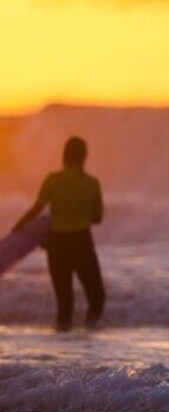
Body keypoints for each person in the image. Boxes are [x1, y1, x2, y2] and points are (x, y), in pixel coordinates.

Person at [13, 136, 105, 332]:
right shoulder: (92, 183)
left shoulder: (52, 180)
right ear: (84, 157)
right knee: (96, 296)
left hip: (57, 244)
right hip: (81, 242)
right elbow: (97, 218)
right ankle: (91, 334)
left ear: (64, 156)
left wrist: (19, 227)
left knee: (64, 301)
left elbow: (36, 209)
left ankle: (64, 345)